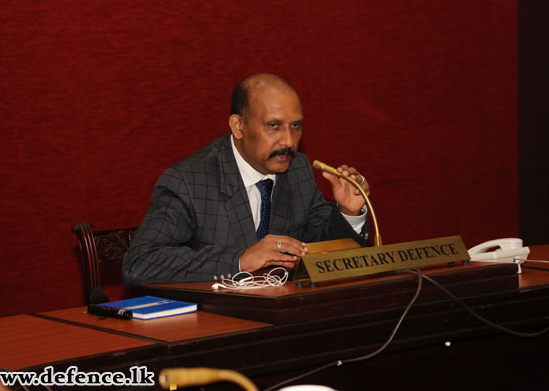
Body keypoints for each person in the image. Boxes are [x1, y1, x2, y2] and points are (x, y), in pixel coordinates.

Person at [122, 73, 370, 286]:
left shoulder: (298, 169)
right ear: (238, 126)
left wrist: (348, 212)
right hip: (214, 323)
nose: (288, 141)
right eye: (273, 126)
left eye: (295, 125)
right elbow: (140, 264)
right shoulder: (189, 181)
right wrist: (240, 260)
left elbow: (320, 247)